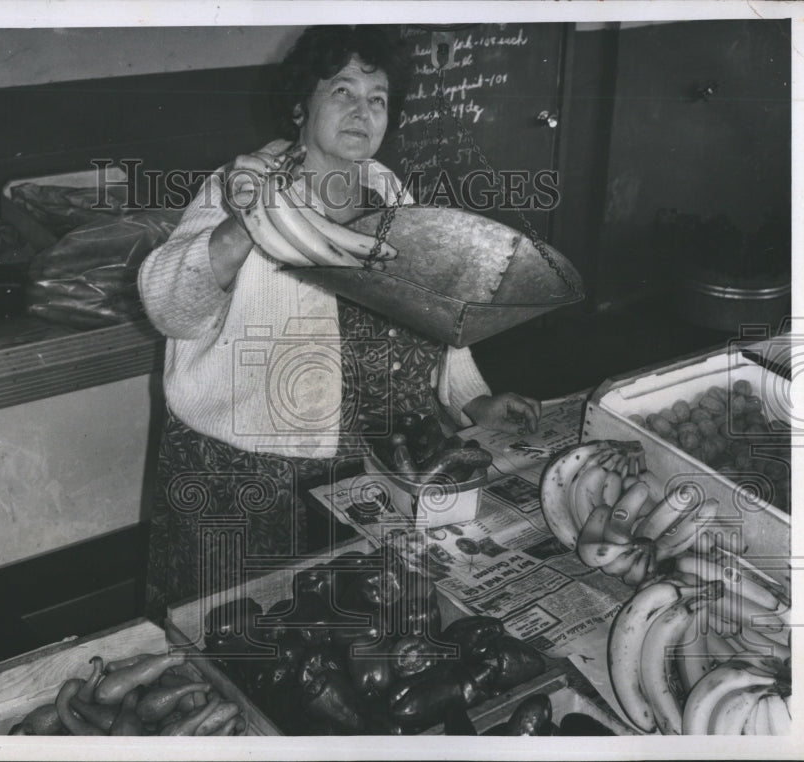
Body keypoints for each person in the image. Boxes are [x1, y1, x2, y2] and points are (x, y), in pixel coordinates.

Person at [138, 25, 541, 615]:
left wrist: (472, 400)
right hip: (248, 475)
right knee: (234, 634)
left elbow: (429, 321)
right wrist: (246, 225)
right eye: (343, 91)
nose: (363, 111)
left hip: (367, 468)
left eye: (377, 98)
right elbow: (168, 306)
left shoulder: (391, 197)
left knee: (348, 632)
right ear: (302, 104)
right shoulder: (241, 187)